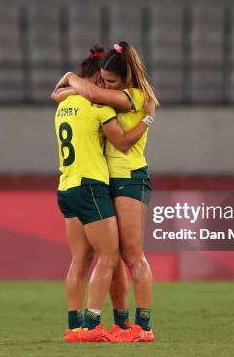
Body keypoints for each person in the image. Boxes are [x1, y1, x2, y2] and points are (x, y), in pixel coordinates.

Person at [55, 41, 158, 342]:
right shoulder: (111, 97)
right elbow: (79, 95)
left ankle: (144, 326)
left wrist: (71, 80)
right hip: (108, 179)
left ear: (125, 78)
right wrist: (72, 88)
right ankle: (123, 324)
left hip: (129, 176)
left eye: (112, 80)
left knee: (131, 255)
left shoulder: (134, 96)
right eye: (104, 79)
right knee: (110, 258)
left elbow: (93, 96)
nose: (107, 85)